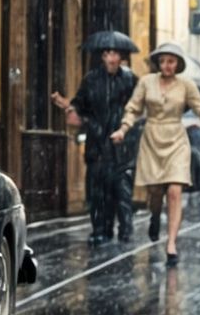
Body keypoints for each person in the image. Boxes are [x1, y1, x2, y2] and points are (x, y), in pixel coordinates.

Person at [114, 42, 200, 265]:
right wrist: (123, 129)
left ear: (178, 64)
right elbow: (133, 108)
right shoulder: (146, 82)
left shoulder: (186, 85)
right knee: (155, 191)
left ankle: (171, 243)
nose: (166, 65)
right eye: (162, 61)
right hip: (152, 137)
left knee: (174, 190)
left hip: (176, 139)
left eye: (171, 61)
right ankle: (155, 215)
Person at [52, 44, 140, 246]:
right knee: (98, 191)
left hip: (122, 144)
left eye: (115, 53)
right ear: (102, 56)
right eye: (108, 53)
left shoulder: (129, 79)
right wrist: (68, 106)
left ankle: (126, 230)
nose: (112, 58)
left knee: (122, 190)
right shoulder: (91, 80)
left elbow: (138, 105)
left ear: (121, 57)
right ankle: (100, 230)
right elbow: (79, 105)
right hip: (98, 144)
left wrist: (128, 129)